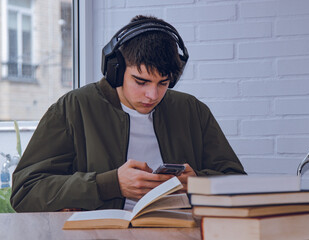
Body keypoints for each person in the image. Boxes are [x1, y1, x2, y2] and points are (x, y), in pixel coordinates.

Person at [10, 15, 246, 212]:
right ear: (116, 70)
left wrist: (197, 182)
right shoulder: (74, 108)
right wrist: (108, 185)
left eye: (163, 83)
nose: (152, 95)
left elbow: (238, 183)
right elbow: (25, 192)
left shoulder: (192, 110)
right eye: (141, 81)